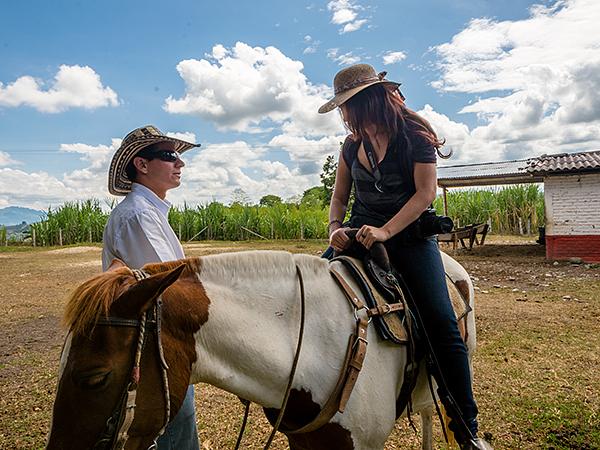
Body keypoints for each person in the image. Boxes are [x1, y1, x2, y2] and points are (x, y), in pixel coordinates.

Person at [319, 64, 491, 450]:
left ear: (368, 102)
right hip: (359, 235)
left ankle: (467, 427)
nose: (345, 116)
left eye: (348, 107)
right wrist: (334, 228)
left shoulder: (414, 136)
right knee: (312, 288)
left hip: (410, 237)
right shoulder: (351, 146)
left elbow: (425, 195)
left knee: (442, 322)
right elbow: (340, 195)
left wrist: (385, 231)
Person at [102, 125, 201, 450]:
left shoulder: (148, 213)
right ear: (141, 165)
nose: (179, 163)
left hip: (159, 347)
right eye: (169, 155)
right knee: (175, 436)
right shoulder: (139, 216)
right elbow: (172, 292)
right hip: (158, 352)